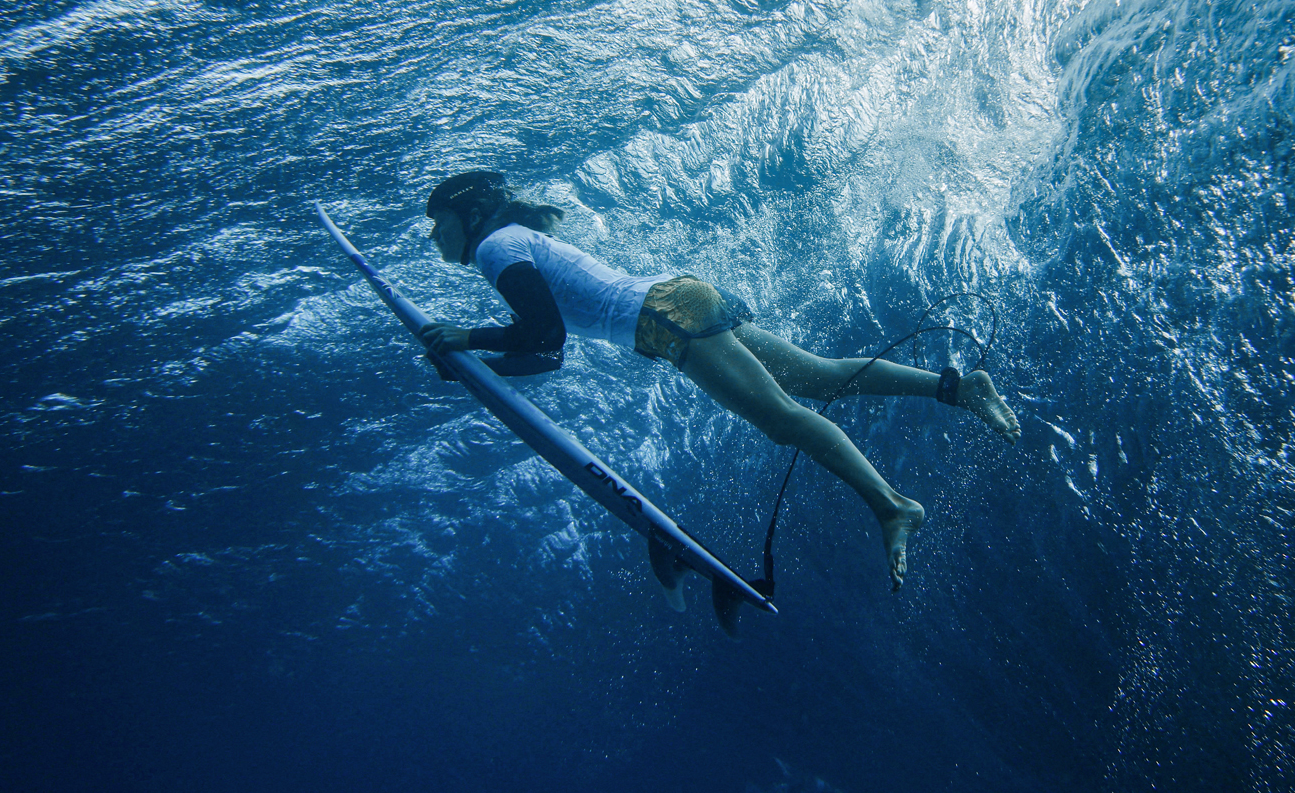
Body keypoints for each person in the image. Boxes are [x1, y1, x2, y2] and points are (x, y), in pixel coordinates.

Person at [415, 170, 1021, 591]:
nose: (434, 235)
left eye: (438, 221)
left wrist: (465, 338)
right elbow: (548, 355)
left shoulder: (495, 247)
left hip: (667, 320)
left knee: (784, 419)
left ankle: (893, 508)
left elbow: (545, 336)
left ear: (468, 215)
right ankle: (958, 389)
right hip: (681, 300)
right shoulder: (512, 241)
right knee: (819, 377)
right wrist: (477, 364)